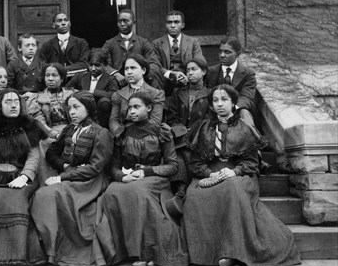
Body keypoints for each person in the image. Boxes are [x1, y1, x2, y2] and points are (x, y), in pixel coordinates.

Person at [184, 85, 301, 266]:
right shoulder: (204, 128)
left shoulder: (244, 127)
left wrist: (234, 171)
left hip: (240, 173)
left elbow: (251, 163)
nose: (220, 104)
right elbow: (195, 163)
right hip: (211, 172)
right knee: (194, 195)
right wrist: (210, 173)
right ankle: (203, 253)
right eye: (215, 100)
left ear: (233, 103)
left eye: (224, 100)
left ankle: (233, 251)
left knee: (232, 189)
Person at [97, 94, 188, 266]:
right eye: (130, 108)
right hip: (130, 177)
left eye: (136, 107)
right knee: (112, 192)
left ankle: (151, 251)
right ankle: (123, 251)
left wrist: (145, 172)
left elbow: (173, 166)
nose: (132, 111)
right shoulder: (122, 133)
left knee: (138, 192)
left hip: (154, 177)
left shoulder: (161, 131)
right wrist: (122, 177)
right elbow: (114, 166)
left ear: (149, 108)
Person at [31, 91, 114, 266]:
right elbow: (52, 152)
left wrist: (63, 177)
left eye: (76, 107)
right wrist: (64, 167)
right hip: (70, 176)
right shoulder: (69, 129)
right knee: (42, 195)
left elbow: (95, 167)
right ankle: (48, 249)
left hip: (91, 181)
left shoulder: (101, 133)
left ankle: (56, 250)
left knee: (48, 195)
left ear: (89, 109)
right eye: (69, 108)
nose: (72, 112)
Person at [0, 88, 47, 266]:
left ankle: (9, 257)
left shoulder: (29, 125)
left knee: (14, 198)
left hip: (24, 177)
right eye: (8, 101)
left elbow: (33, 156)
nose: (13, 105)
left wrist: (24, 176)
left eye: (16, 101)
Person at [165, 58, 210, 197]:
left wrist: (195, 132)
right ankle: (180, 186)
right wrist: (181, 131)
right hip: (181, 134)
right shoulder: (178, 92)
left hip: (201, 134)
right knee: (177, 153)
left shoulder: (210, 93)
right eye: (188, 70)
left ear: (203, 72)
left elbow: (209, 119)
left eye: (194, 69)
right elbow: (172, 117)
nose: (190, 73)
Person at [101, 9, 164, 90]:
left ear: (134, 22)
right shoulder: (109, 43)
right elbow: (101, 63)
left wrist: (140, 74)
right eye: (119, 21)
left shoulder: (143, 42)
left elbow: (154, 64)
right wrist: (115, 73)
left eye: (126, 21)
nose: (122, 24)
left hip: (141, 83)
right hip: (118, 83)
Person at [109, 54, 165, 137]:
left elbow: (155, 122)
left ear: (143, 70)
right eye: (126, 69)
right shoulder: (118, 95)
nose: (129, 72)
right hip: (123, 137)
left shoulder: (156, 94)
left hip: (147, 138)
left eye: (133, 68)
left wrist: (136, 135)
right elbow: (114, 121)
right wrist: (120, 135)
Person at [152, 11, 205, 96]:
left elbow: (200, 63)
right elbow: (154, 66)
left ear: (182, 25)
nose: (173, 25)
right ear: (166, 25)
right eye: (169, 22)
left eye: (176, 22)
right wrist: (170, 74)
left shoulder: (193, 42)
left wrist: (188, 76)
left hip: (187, 83)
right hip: (165, 85)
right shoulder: (157, 43)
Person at [68, 48, 119, 128]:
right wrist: (77, 93)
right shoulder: (80, 76)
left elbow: (115, 94)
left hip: (99, 113)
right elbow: (66, 89)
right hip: (80, 109)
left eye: (97, 65)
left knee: (105, 102)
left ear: (105, 65)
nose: (93, 68)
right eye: (91, 65)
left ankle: (102, 129)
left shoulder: (110, 79)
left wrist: (94, 92)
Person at [206, 37, 256, 112]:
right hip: (215, 112)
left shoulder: (248, 74)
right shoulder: (211, 72)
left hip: (237, 112)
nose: (222, 55)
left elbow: (246, 98)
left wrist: (232, 108)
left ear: (237, 54)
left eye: (227, 52)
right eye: (220, 51)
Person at [38, 12, 90, 79]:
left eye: (66, 20)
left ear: (69, 23)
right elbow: (42, 64)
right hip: (54, 81)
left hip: (77, 81)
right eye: (59, 21)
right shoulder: (47, 45)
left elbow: (84, 63)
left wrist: (62, 69)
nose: (63, 23)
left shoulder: (81, 43)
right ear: (53, 25)